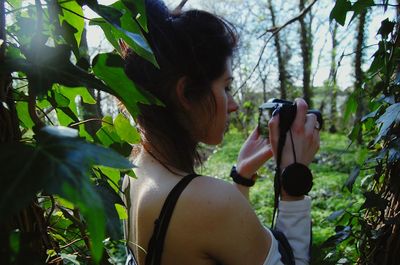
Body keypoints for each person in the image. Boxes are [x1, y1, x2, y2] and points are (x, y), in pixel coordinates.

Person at [121, 0, 320, 264]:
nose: (234, 105)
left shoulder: (134, 172)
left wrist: (242, 177)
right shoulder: (204, 201)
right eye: (226, 87)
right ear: (187, 94)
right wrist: (293, 183)